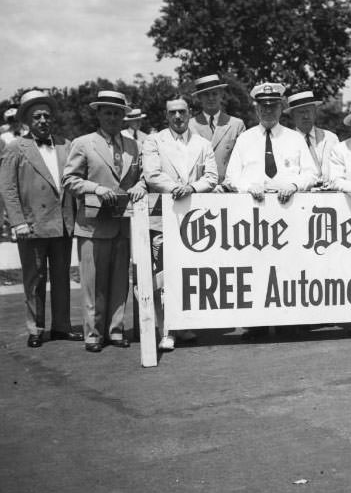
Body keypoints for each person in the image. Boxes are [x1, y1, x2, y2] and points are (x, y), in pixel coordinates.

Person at [62, 90, 147, 352]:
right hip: (93, 225)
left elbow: (144, 175)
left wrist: (141, 186)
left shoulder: (134, 145)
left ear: (124, 116)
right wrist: (95, 188)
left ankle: (116, 329)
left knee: (121, 280)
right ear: (98, 114)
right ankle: (94, 333)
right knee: (93, 281)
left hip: (123, 223)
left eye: (117, 113)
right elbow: (69, 179)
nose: (112, 117)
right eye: (107, 112)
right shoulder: (83, 143)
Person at [0, 90, 80, 348]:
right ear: (26, 120)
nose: (44, 120)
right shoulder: (15, 148)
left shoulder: (65, 145)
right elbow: (8, 189)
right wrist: (18, 222)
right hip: (32, 225)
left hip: (62, 223)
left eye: (47, 115)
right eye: (37, 116)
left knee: (61, 278)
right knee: (34, 279)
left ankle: (61, 326)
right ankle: (35, 328)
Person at [143, 98, 218, 351]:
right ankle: (166, 330)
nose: (177, 117)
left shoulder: (203, 143)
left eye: (182, 112)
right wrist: (177, 188)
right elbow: (152, 174)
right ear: (166, 116)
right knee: (163, 276)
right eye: (172, 113)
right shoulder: (154, 141)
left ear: (189, 114)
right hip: (162, 217)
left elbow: (211, 177)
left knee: (188, 274)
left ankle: (183, 325)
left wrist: (192, 188)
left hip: (193, 220)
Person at [225, 82, 317, 202]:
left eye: (273, 107)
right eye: (264, 107)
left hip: (289, 206)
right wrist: (248, 187)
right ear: (257, 109)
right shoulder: (244, 139)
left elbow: (311, 174)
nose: (268, 111)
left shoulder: (295, 138)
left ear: (280, 109)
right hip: (252, 207)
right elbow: (231, 176)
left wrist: (294, 185)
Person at [188, 73, 245, 187]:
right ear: (199, 97)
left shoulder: (236, 124)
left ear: (221, 95)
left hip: (228, 189)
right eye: (206, 95)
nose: (211, 98)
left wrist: (227, 185)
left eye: (214, 94)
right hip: (197, 189)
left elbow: (242, 160)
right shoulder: (189, 125)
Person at [285, 90, 339, 186]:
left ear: (315, 112)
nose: (306, 116)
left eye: (309, 111)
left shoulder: (330, 138)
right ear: (292, 116)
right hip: (299, 196)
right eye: (301, 112)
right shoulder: (285, 142)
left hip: (330, 196)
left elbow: (339, 170)